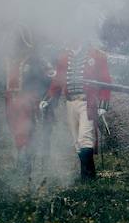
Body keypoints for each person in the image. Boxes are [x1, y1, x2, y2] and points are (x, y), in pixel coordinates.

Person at [45, 42, 111, 181]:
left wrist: (103, 103)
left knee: (85, 138)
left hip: (87, 102)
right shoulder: (64, 56)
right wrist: (48, 98)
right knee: (77, 141)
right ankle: (87, 174)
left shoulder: (96, 55)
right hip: (70, 103)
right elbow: (57, 81)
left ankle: (88, 178)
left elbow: (105, 80)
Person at [1, 27, 50, 179]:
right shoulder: (7, 61)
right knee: (15, 132)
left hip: (27, 101)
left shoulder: (34, 60)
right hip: (10, 101)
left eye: (18, 43)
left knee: (27, 132)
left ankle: (26, 166)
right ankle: (21, 162)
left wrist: (36, 97)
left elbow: (44, 80)